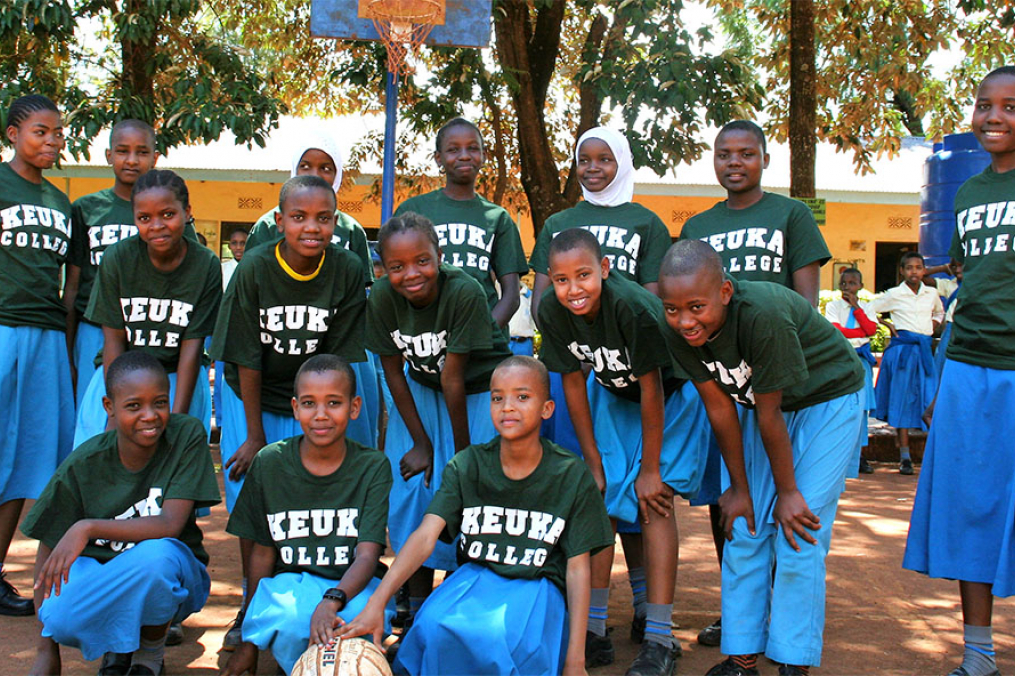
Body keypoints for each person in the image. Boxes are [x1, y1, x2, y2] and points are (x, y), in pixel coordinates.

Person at [658, 240, 864, 676]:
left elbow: (770, 412)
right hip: (759, 410)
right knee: (746, 527)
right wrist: (739, 487)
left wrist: (787, 492)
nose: (684, 321)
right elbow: (718, 406)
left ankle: (793, 661)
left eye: (696, 307)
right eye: (673, 308)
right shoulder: (676, 329)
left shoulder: (762, 315)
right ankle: (742, 658)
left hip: (827, 402)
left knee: (798, 528)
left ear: (726, 293)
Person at [338, 356, 613, 676]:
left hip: (535, 587)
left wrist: (575, 661)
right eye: (498, 397)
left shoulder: (570, 474)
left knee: (498, 639)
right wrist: (376, 602)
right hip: (474, 578)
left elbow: (579, 569)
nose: (508, 406)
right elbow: (426, 536)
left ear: (547, 408)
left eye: (522, 397)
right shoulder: (468, 464)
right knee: (433, 627)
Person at [678, 119, 831, 647]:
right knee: (734, 497)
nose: (734, 162)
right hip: (725, 378)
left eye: (746, 153)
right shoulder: (698, 223)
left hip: (776, 375)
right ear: (714, 160)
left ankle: (775, 614)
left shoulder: (790, 214)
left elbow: (805, 301)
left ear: (765, 159)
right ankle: (739, 609)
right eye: (724, 153)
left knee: (783, 496)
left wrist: (779, 362)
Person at [210, 176, 373, 647]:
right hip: (256, 394)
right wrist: (256, 435)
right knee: (256, 500)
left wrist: (319, 412)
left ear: (336, 223)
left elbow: (339, 359)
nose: (311, 228)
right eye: (299, 217)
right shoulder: (256, 266)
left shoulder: (344, 267)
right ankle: (251, 603)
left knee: (319, 498)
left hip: (315, 396)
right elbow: (244, 355)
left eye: (324, 218)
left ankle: (325, 592)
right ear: (279, 221)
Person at [538, 228, 707, 676]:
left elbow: (653, 388)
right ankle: (593, 632)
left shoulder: (632, 308)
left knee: (654, 503)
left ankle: (659, 637)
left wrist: (650, 469)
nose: (573, 289)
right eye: (561, 279)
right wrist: (593, 462)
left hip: (670, 398)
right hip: (613, 397)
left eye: (583, 276)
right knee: (600, 503)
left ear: (605, 270)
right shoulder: (553, 312)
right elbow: (573, 382)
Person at [528, 127, 672, 647]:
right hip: (598, 381)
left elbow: (654, 310)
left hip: (650, 376)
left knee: (648, 496)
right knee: (600, 491)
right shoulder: (560, 224)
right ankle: (593, 625)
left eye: (605, 159)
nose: (593, 168)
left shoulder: (646, 223)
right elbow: (551, 305)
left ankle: (650, 618)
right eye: (584, 159)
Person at [903, 65, 1015, 676]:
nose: (994, 116)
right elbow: (967, 292)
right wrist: (945, 381)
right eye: (984, 104)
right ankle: (978, 656)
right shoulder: (968, 194)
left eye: (1009, 106)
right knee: (971, 504)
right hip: (970, 367)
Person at [21, 351, 220, 676]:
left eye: (159, 402)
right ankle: (116, 647)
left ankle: (148, 654)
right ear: (109, 408)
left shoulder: (185, 435)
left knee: (157, 558)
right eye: (133, 406)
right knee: (57, 616)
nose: (150, 415)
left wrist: (86, 527)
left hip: (176, 577)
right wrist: (46, 649)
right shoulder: (85, 463)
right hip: (105, 576)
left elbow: (169, 524)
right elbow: (49, 551)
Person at [365, 212, 512, 627]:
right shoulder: (381, 297)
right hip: (422, 390)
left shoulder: (463, 290)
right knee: (413, 486)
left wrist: (464, 460)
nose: (411, 274)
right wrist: (421, 443)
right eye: (397, 266)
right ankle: (412, 598)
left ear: (439, 256)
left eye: (422, 261)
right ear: (384, 268)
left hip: (479, 390)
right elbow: (393, 369)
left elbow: (455, 374)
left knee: (473, 492)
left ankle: (461, 591)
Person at [221, 355, 393, 676]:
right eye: (310, 403)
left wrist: (331, 601)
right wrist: (248, 642)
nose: (321, 415)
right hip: (292, 583)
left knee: (357, 623)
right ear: (295, 408)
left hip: (353, 586)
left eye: (334, 403)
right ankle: (296, 667)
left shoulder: (372, 467)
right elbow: (261, 552)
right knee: (290, 617)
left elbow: (368, 555)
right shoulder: (270, 463)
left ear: (354, 407)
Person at [245, 129, 379, 449]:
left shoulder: (350, 230)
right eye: (306, 166)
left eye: (326, 168)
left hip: (337, 338)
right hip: (280, 336)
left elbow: (360, 296)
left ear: (338, 175)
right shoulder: (267, 226)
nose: (316, 174)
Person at [73, 170, 221, 447]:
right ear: (135, 219)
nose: (157, 225)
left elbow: (192, 347)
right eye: (145, 218)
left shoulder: (206, 265)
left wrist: (176, 419)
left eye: (167, 214)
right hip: (120, 377)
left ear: (187, 212)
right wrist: (116, 414)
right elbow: (114, 340)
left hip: (178, 379)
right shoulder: (118, 258)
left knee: (173, 468)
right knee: (101, 462)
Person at [0, 94, 76, 617]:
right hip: (2, 328)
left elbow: (70, 286)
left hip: (47, 336)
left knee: (28, 463)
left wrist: (68, 343)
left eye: (57, 133)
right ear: (12, 134)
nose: (52, 141)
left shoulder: (60, 202)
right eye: (40, 132)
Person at [394, 117, 527, 329]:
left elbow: (511, 295)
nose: (464, 156)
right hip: (427, 339)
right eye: (453, 149)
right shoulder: (413, 212)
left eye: (473, 148)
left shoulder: (498, 218)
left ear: (483, 155)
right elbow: (396, 280)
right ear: (439, 158)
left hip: (484, 344)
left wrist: (484, 334)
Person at [65, 119, 161, 409]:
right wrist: (69, 351)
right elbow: (72, 284)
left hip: (150, 329)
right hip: (94, 329)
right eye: (122, 151)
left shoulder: (165, 211)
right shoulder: (86, 209)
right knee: (95, 415)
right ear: (109, 155)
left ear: (155, 158)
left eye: (142, 152)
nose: (132, 160)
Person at [869, 251, 944, 475]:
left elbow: (940, 312)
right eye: (909, 268)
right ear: (902, 271)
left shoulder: (931, 293)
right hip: (902, 351)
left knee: (928, 401)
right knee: (901, 401)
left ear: (923, 270)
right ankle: (905, 457)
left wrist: (933, 322)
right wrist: (886, 324)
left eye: (918, 267)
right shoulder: (895, 294)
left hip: (923, 351)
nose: (914, 272)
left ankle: (936, 455)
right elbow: (868, 309)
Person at [823, 268, 879, 474]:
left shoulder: (866, 306)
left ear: (861, 286)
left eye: (853, 283)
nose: (848, 287)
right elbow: (836, 330)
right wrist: (860, 332)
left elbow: (872, 330)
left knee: (861, 409)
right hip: (841, 359)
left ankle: (860, 455)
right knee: (840, 405)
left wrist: (857, 308)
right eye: (844, 284)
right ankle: (839, 455)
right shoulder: (833, 306)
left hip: (861, 361)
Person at [923, 260, 963, 381]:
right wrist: (943, 268)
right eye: (955, 267)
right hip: (950, 331)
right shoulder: (951, 285)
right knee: (941, 367)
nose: (957, 270)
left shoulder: (979, 285)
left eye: (962, 266)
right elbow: (922, 277)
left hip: (969, 330)